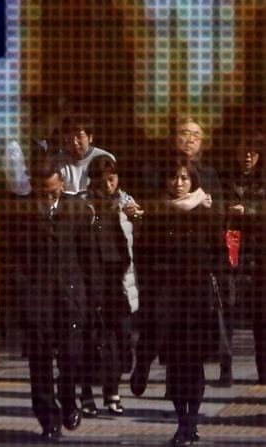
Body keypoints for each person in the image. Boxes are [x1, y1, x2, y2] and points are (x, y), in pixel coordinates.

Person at [132, 116, 224, 395]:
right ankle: (145, 360)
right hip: (163, 266)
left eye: (196, 134)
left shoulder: (209, 176)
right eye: (184, 132)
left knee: (187, 334)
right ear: (174, 138)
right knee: (159, 322)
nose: (190, 138)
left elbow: (218, 221)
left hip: (194, 269)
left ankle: (183, 394)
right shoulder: (156, 171)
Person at [136, 158, 226, 446]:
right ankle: (181, 423)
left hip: (196, 300)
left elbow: (220, 254)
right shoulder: (156, 214)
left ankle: (193, 421)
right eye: (174, 178)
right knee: (175, 364)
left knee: (194, 364)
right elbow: (143, 255)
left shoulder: (207, 212)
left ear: (194, 181)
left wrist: (217, 281)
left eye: (184, 178)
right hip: (167, 299)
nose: (178, 183)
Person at [14, 162, 88, 441]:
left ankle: (69, 401)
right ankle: (48, 419)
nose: (48, 198)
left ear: (62, 187)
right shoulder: (24, 214)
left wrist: (90, 298)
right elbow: (15, 259)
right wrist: (21, 295)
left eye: (53, 192)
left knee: (70, 356)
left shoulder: (77, 211)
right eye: (43, 193)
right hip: (38, 298)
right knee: (40, 361)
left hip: (70, 297)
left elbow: (88, 257)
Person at [79, 156, 141, 418]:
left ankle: (112, 391)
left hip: (120, 282)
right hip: (91, 281)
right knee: (90, 339)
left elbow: (139, 238)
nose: (109, 184)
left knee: (120, 338)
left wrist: (138, 219)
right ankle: (86, 394)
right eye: (103, 179)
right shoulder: (82, 205)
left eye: (113, 178)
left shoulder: (126, 203)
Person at [222, 127, 266, 385]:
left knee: (261, 317)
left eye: (253, 151)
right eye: (242, 150)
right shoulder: (226, 177)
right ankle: (226, 370)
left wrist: (247, 209)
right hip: (231, 250)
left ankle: (263, 372)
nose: (247, 156)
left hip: (260, 253)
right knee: (227, 312)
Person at [50, 114, 115, 195]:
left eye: (79, 136)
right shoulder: (56, 162)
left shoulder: (105, 158)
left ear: (90, 137)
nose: (74, 142)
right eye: (68, 137)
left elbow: (116, 191)